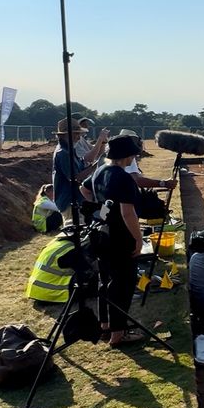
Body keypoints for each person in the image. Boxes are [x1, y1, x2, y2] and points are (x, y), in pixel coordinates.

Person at [79, 134, 144, 347]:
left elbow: (84, 189)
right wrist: (138, 238)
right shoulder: (124, 178)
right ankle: (119, 334)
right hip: (120, 237)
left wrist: (101, 211)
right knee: (122, 285)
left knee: (104, 281)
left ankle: (105, 324)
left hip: (101, 234)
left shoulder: (100, 171)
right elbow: (127, 213)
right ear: (128, 156)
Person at [52, 117, 95, 217]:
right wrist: (94, 167)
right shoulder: (63, 153)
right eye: (76, 134)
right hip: (69, 202)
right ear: (66, 135)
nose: (79, 137)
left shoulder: (70, 151)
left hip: (77, 200)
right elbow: (75, 177)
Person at [24, 231, 78, 303]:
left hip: (35, 292)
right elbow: (85, 269)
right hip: (51, 295)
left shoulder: (54, 244)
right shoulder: (70, 249)